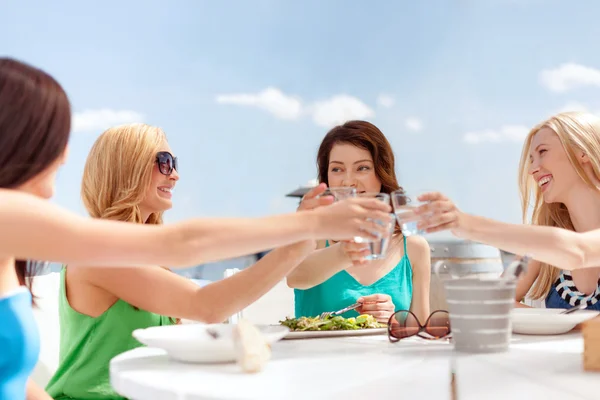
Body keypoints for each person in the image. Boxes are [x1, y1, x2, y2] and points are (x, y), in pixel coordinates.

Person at [0, 58, 392, 400]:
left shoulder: (92, 248)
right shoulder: (94, 254)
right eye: (165, 161)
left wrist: (302, 238)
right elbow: (202, 289)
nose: (176, 174)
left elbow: (14, 381)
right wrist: (305, 228)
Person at [45, 123, 348, 399]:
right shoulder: (101, 251)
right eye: (164, 162)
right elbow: (207, 306)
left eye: (174, 164)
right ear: (128, 168)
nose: (175, 174)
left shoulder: (144, 255)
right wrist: (294, 245)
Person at [416, 111, 600, 310]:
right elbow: (495, 302)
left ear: (581, 151)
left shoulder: (555, 246)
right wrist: (557, 323)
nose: (532, 169)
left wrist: (466, 224)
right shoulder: (543, 244)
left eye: (543, 152)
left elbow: (577, 251)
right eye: (531, 159)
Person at [287, 121, 431, 323]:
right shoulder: (314, 230)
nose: (348, 181)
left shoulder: (414, 248)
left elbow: (421, 332)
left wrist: (393, 321)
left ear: (382, 171)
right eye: (337, 169)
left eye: (362, 168)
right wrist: (346, 251)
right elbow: (295, 276)